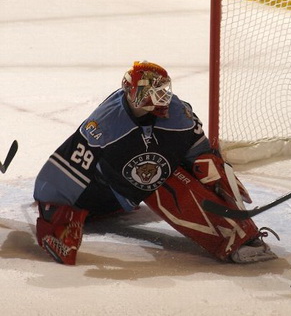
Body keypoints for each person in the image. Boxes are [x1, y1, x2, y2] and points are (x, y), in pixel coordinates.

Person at [33, 61, 277, 265]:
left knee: (173, 174)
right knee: (166, 183)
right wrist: (55, 217)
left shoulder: (178, 112)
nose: (160, 98)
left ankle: (243, 234)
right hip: (100, 195)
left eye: (162, 90)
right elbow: (64, 170)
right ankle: (231, 238)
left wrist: (211, 167)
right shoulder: (105, 124)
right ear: (130, 93)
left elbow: (198, 150)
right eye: (150, 91)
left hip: (129, 190)